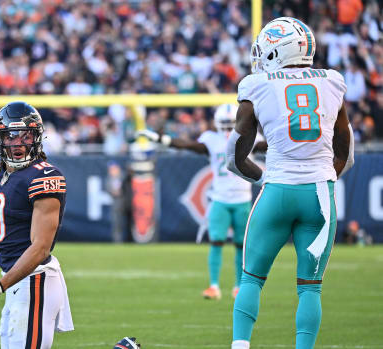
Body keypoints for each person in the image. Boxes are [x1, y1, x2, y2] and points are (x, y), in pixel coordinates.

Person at [226, 17, 354, 349]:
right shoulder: (333, 81)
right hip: (319, 195)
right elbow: (346, 153)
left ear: (276, 51)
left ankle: (240, 345)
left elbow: (234, 156)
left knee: (251, 278)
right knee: (310, 287)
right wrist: (322, 178)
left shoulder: (256, 84)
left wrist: (265, 177)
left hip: (277, 190)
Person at [0, 101, 73, 348]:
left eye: (25, 136)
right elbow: (10, 222)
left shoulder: (44, 177)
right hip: (16, 279)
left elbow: (41, 248)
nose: (17, 144)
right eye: (9, 137)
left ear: (37, 137)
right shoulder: (2, 169)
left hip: (35, 279)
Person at [137, 104, 266, 300]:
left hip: (242, 198)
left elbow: (268, 145)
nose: (227, 128)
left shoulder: (250, 138)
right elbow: (187, 145)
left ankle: (239, 286)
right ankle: (214, 286)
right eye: (224, 123)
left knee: (241, 244)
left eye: (230, 123)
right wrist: (163, 139)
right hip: (220, 198)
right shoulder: (212, 140)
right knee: (216, 241)